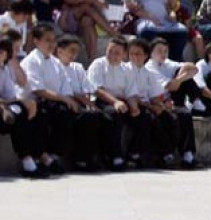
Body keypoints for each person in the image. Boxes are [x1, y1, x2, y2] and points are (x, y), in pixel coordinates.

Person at [87, 36, 151, 171]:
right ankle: (114, 156)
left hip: (122, 101)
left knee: (144, 116)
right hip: (103, 101)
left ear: (124, 55)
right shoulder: (98, 64)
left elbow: (131, 92)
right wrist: (115, 101)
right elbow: (97, 89)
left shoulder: (127, 69)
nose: (112, 55)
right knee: (113, 114)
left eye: (117, 53)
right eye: (110, 51)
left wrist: (134, 106)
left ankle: (134, 153)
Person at [21, 23, 78, 175]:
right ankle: (41, 155)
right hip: (33, 101)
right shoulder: (31, 61)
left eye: (53, 40)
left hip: (53, 101)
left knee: (66, 114)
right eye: (47, 40)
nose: (51, 44)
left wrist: (67, 99)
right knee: (41, 114)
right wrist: (63, 98)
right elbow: (38, 90)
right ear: (36, 41)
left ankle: (53, 154)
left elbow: (65, 85)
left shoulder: (55, 62)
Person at [146, 37, 202, 169]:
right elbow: (171, 86)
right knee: (176, 117)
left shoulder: (168, 63)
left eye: (165, 51)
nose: (163, 54)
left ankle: (188, 155)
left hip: (172, 100)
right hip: (157, 101)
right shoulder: (150, 68)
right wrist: (181, 77)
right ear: (151, 53)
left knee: (185, 114)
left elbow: (194, 68)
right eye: (159, 51)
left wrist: (180, 76)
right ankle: (167, 154)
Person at [0, 36, 49, 178]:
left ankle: (37, 156)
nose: (1, 54)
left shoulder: (6, 70)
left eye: (4, 51)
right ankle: (28, 163)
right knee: (20, 111)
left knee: (35, 112)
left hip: (7, 113)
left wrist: (27, 102)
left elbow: (11, 95)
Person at [55, 34, 105, 171]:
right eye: (71, 50)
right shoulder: (54, 66)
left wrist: (88, 103)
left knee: (100, 116)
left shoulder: (77, 67)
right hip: (63, 103)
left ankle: (91, 157)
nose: (74, 54)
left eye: (76, 51)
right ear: (60, 50)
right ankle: (76, 158)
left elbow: (86, 88)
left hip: (80, 104)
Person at [126, 0, 190, 61]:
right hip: (145, 19)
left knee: (182, 30)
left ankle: (174, 60)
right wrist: (152, 19)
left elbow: (168, 7)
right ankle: (150, 60)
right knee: (147, 30)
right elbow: (133, 7)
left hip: (165, 22)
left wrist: (171, 14)